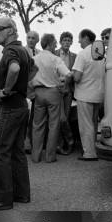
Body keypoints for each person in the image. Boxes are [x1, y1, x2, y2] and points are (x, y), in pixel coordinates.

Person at [0, 17, 34, 211]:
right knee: (17, 151)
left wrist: (6, 90)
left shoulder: (11, 50)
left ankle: (1, 199)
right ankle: (21, 194)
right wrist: (21, 85)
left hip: (11, 107)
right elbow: (33, 68)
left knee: (0, 151)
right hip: (21, 106)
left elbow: (14, 68)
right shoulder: (23, 50)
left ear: (11, 30)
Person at [31, 33, 72, 163]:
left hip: (38, 93)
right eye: (54, 43)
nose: (56, 45)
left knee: (37, 125)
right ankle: (50, 156)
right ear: (49, 44)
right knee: (53, 125)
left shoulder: (34, 58)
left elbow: (28, 76)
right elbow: (69, 74)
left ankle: (36, 156)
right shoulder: (56, 59)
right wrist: (63, 85)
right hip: (53, 93)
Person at [72, 28, 105, 161]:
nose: (78, 41)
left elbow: (77, 77)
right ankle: (94, 149)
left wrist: (71, 75)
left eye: (80, 38)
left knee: (86, 125)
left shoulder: (83, 54)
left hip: (84, 94)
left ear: (86, 38)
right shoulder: (102, 54)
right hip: (98, 93)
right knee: (94, 123)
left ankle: (89, 153)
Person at [55, 31, 77, 155]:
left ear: (71, 42)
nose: (67, 42)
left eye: (69, 40)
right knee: (60, 118)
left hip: (68, 90)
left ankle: (64, 144)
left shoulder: (75, 56)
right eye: (64, 40)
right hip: (57, 89)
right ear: (60, 42)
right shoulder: (54, 54)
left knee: (66, 117)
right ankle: (67, 142)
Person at [24, 30, 40, 153]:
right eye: (28, 37)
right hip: (25, 90)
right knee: (26, 119)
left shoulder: (40, 53)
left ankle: (35, 143)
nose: (30, 40)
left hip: (38, 90)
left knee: (35, 119)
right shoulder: (22, 52)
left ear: (37, 40)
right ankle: (26, 143)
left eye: (33, 38)